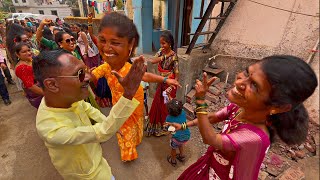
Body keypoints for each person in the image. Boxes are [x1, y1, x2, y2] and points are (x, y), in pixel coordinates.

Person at [167, 55, 318, 180]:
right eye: (247, 73)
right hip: (207, 168)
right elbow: (212, 117)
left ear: (277, 107)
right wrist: (185, 125)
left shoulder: (254, 138)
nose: (239, 81)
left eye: (255, 85)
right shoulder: (239, 109)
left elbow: (211, 139)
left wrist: (200, 101)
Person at [34, 49, 146, 179]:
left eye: (85, 70)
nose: (88, 77)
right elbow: (102, 132)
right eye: (79, 74)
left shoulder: (66, 99)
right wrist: (128, 94)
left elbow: (88, 109)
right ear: (52, 84)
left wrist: (108, 122)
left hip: (98, 163)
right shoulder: (50, 128)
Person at [91, 12, 181, 162]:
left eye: (117, 44)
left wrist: (166, 80)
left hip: (137, 101)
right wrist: (80, 77)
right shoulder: (106, 67)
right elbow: (92, 75)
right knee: (124, 127)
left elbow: (145, 76)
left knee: (139, 122)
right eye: (105, 43)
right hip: (121, 105)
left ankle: (138, 140)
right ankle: (128, 152)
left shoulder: (130, 65)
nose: (109, 49)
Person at [146, 31, 179, 137]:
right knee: (158, 103)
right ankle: (156, 127)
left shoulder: (174, 56)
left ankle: (165, 127)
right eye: (160, 43)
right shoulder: (161, 52)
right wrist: (165, 56)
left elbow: (177, 73)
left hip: (170, 84)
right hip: (162, 81)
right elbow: (153, 61)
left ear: (169, 43)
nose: (162, 46)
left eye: (164, 43)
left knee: (165, 106)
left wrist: (172, 86)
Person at [14, 43, 43, 108]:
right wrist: (47, 94)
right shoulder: (22, 67)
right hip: (38, 92)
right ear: (17, 54)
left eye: (29, 50)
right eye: (24, 52)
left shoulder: (29, 60)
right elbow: (31, 86)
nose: (28, 53)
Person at [165, 99, 190, 167]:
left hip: (176, 138)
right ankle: (182, 156)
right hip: (186, 136)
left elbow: (169, 129)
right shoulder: (183, 112)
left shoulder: (168, 118)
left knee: (173, 149)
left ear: (169, 111)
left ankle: (173, 160)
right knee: (181, 144)